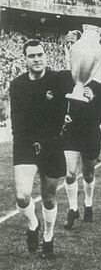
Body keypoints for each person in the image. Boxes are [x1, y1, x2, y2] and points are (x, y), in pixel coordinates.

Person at [9, 39, 66, 258]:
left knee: (49, 197)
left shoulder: (58, 80)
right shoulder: (17, 85)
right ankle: (33, 223)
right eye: (32, 55)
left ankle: (49, 237)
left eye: (40, 54)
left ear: (45, 56)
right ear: (25, 59)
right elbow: (17, 118)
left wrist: (87, 95)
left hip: (52, 143)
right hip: (25, 142)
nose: (37, 59)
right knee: (23, 196)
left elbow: (82, 82)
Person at [62, 44, 101, 230]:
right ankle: (72, 209)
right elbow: (59, 104)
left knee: (89, 173)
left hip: (90, 133)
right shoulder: (69, 81)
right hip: (72, 133)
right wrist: (62, 116)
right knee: (69, 173)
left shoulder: (100, 88)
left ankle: (88, 204)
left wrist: (94, 100)